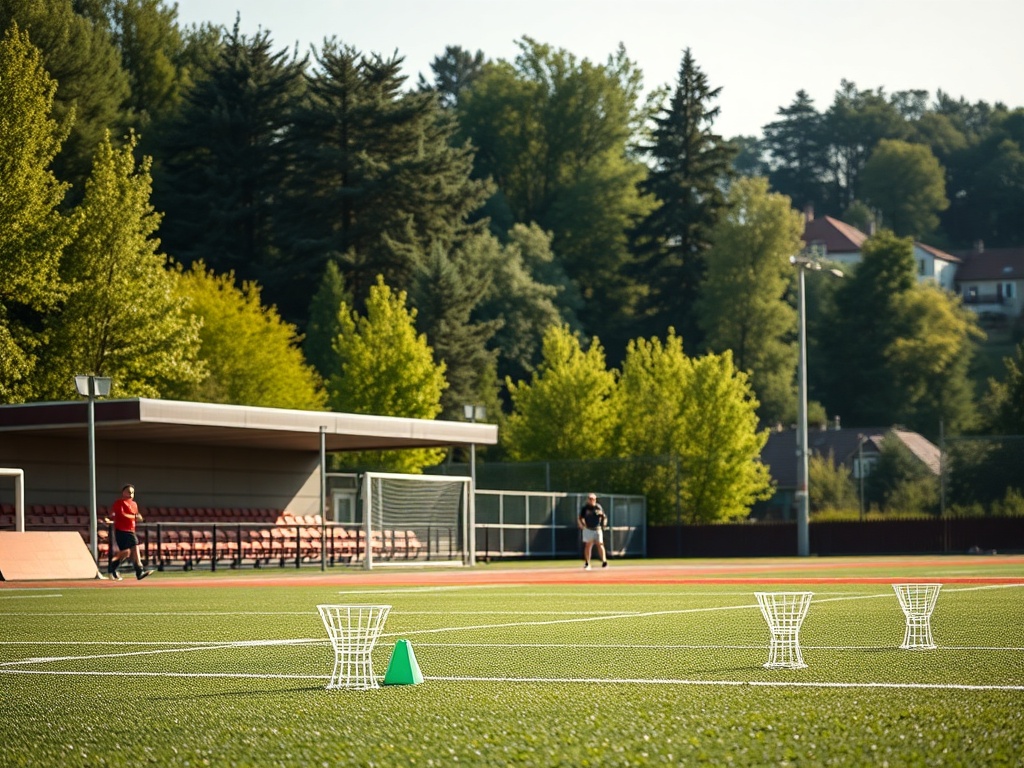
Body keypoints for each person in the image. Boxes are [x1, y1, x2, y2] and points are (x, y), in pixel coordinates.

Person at [103, 484, 154, 581]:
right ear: (123, 493)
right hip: (122, 530)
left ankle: (112, 569)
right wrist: (135, 517)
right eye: (129, 492)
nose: (131, 494)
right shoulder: (119, 503)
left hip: (131, 530)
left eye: (132, 492)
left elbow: (135, 516)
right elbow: (122, 515)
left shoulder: (134, 504)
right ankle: (139, 571)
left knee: (127, 552)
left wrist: (138, 518)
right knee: (131, 550)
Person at [578, 493, 608, 570]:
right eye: (590, 499)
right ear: (588, 499)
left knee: (600, 544)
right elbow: (580, 518)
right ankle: (587, 563)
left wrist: (604, 524)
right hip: (588, 529)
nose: (592, 500)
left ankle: (604, 561)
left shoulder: (598, 507)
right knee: (588, 545)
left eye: (593, 499)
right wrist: (582, 525)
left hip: (597, 529)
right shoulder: (585, 508)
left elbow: (604, 517)